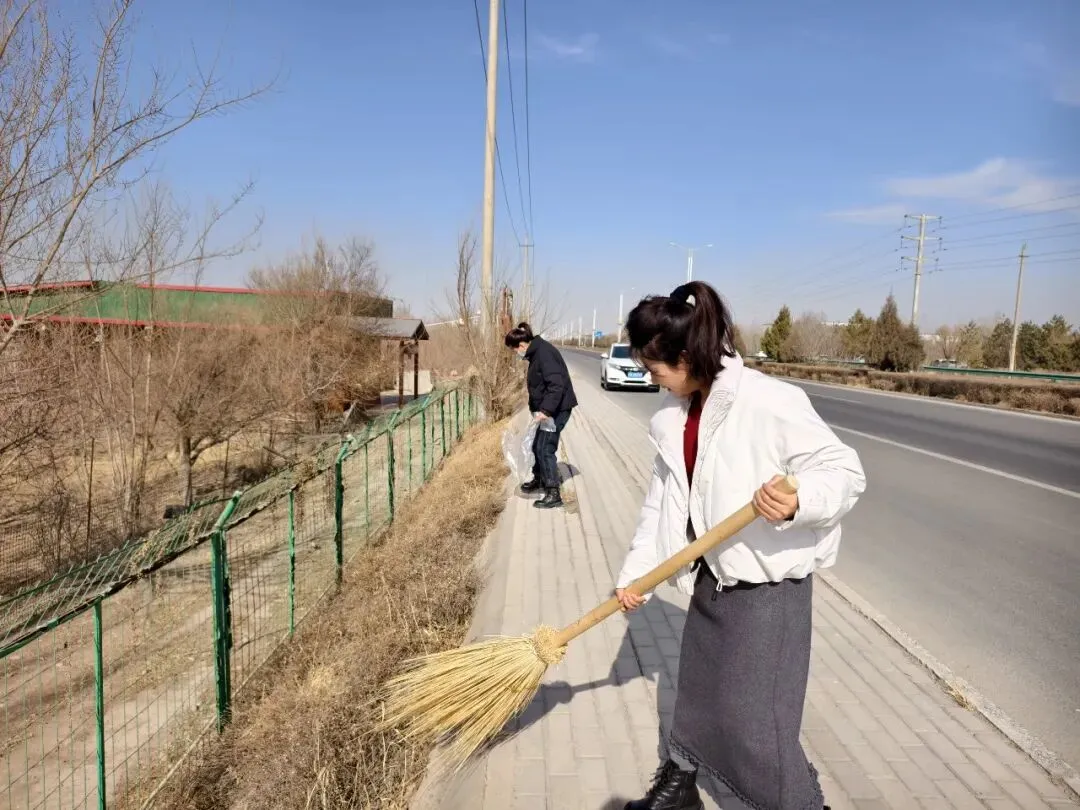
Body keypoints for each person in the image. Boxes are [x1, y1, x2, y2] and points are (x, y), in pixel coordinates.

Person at [614, 282, 865, 810]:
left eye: (655, 370)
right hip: (714, 579)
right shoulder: (677, 416)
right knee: (697, 698)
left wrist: (799, 501)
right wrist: (636, 575)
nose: (652, 380)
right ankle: (680, 788)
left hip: (768, 589)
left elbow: (844, 471)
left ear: (685, 358)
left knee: (759, 727)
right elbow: (660, 507)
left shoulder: (768, 401)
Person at [504, 322, 578, 509]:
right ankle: (539, 479)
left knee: (545, 448)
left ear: (521, 345)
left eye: (514, 350)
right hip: (548, 410)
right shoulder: (536, 353)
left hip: (557, 410)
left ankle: (553, 493)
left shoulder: (544, 354)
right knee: (537, 444)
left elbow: (556, 385)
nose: (516, 354)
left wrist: (545, 411)